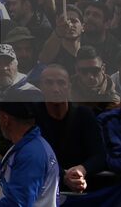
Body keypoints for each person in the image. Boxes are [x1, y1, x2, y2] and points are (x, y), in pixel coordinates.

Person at [0, 102, 59, 205]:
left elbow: (17, 203)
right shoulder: (27, 146)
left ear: (5, 119)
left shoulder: (31, 154)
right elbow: (7, 179)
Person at [35, 63, 106, 194]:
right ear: (41, 86)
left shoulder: (84, 115)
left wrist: (82, 169)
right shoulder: (33, 117)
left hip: (82, 187)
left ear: (69, 86)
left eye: (61, 83)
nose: (55, 89)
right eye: (49, 83)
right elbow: (34, 157)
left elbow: (100, 155)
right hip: (46, 189)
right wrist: (63, 175)